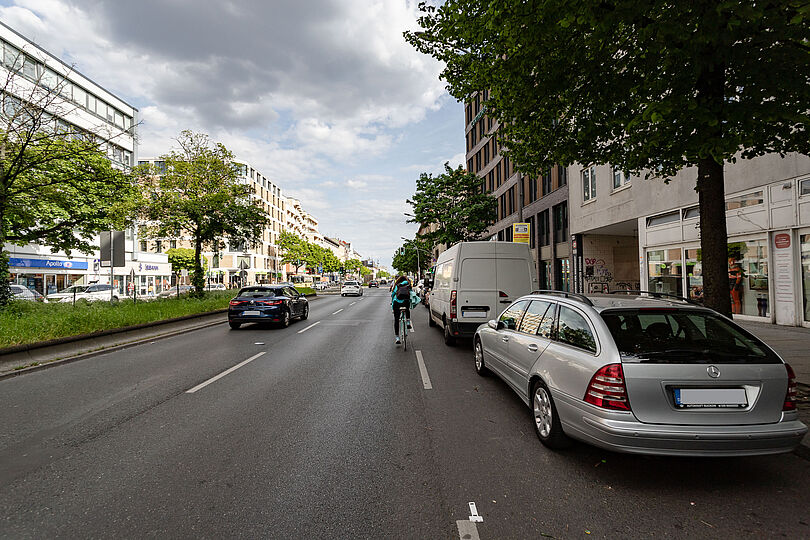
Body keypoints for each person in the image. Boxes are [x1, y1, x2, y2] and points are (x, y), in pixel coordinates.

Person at [391, 275, 415, 344]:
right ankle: (407, 322)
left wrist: (392, 301)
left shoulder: (397, 285)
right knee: (407, 307)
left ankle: (397, 338)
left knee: (396, 319)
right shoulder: (408, 284)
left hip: (397, 303)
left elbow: (393, 294)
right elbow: (411, 293)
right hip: (405, 302)